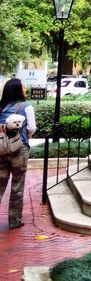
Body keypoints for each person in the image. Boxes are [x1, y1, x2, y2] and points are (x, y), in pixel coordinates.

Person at [0, 78, 36, 229]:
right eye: (23, 87)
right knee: (17, 185)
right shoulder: (26, 106)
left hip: (1, 149)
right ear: (18, 90)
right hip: (19, 149)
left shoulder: (1, 107)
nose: (25, 90)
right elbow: (32, 128)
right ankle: (14, 220)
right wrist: (28, 134)